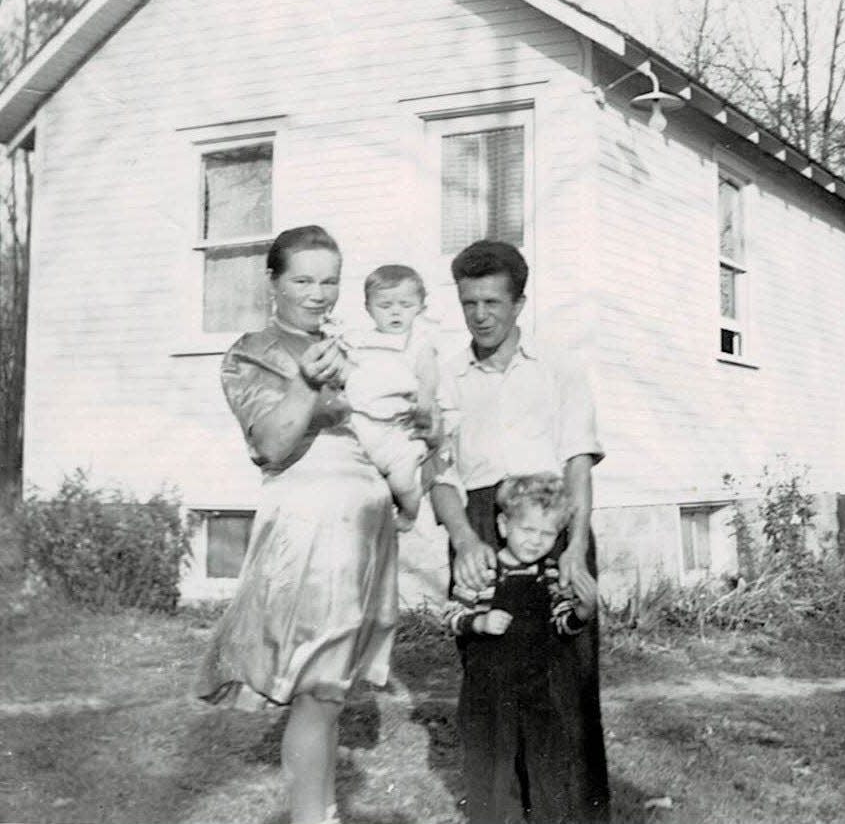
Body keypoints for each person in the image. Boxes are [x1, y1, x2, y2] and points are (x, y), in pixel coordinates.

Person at [195, 225, 402, 824]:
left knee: (330, 691)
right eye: (303, 280)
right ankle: (313, 818)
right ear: (273, 282)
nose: (318, 294)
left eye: (329, 280)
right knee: (315, 687)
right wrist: (309, 386)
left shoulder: (351, 345)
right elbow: (272, 444)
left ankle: (322, 810)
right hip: (310, 530)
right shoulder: (252, 352)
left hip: (364, 527)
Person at [430, 239, 610, 823]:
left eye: (492, 302)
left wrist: (576, 549)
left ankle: (570, 814)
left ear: (520, 303)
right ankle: (499, 812)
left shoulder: (559, 367)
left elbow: (578, 463)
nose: (480, 315)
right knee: (490, 682)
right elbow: (438, 472)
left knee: (566, 683)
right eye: (468, 303)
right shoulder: (447, 376)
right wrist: (462, 539)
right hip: (481, 523)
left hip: (552, 522)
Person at [444, 473, 599, 824]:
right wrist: (478, 623)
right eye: (527, 530)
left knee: (546, 760)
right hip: (489, 690)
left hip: (536, 688)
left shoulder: (549, 574)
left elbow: (562, 622)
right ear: (503, 524)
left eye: (547, 534)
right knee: (491, 764)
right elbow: (452, 614)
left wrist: (581, 613)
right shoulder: (485, 570)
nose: (535, 542)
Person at [322, 264, 451, 530]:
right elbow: (344, 370)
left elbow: (428, 375)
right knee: (349, 476)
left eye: (405, 305)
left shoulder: (418, 343)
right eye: (385, 305)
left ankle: (408, 513)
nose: (395, 311)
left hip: (397, 429)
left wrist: (425, 402)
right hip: (361, 423)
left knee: (403, 481)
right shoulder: (360, 341)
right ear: (368, 308)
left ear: (420, 307)